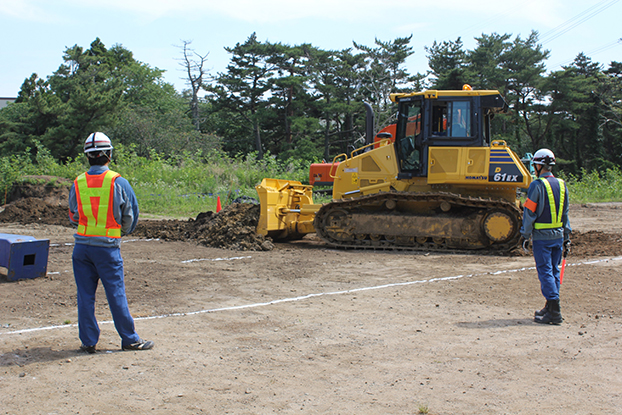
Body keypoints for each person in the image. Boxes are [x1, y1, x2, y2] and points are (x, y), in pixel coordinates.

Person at [68, 132, 154, 353]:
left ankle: (88, 341)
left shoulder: (78, 182)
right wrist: (119, 232)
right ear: (109, 154)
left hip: (82, 248)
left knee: (85, 295)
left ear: (87, 156)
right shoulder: (118, 182)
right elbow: (131, 216)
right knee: (115, 293)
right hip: (107, 248)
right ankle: (130, 339)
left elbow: (74, 215)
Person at [519, 148, 572, 325]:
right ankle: (549, 306)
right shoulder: (562, 184)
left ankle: (555, 312)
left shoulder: (536, 185)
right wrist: (567, 237)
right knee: (554, 271)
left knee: (545, 272)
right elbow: (565, 214)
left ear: (539, 165)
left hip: (542, 238)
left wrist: (525, 235)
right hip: (557, 237)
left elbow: (529, 213)